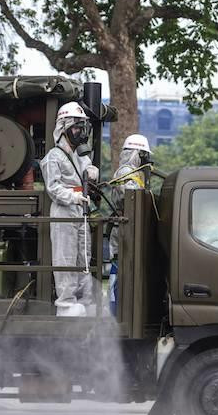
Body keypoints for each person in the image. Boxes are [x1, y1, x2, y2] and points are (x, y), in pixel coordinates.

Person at [40, 101, 99, 317]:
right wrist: (73, 196)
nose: (80, 132)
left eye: (82, 127)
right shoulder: (53, 157)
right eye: (76, 127)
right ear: (64, 128)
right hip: (64, 210)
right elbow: (53, 188)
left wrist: (92, 171)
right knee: (65, 257)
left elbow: (87, 174)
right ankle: (66, 303)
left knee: (83, 256)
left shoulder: (80, 156)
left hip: (81, 209)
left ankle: (85, 299)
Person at [108, 134, 151, 315]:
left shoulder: (135, 173)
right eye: (144, 156)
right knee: (119, 271)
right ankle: (116, 312)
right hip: (123, 231)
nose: (147, 160)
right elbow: (131, 197)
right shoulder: (126, 172)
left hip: (130, 229)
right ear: (137, 154)